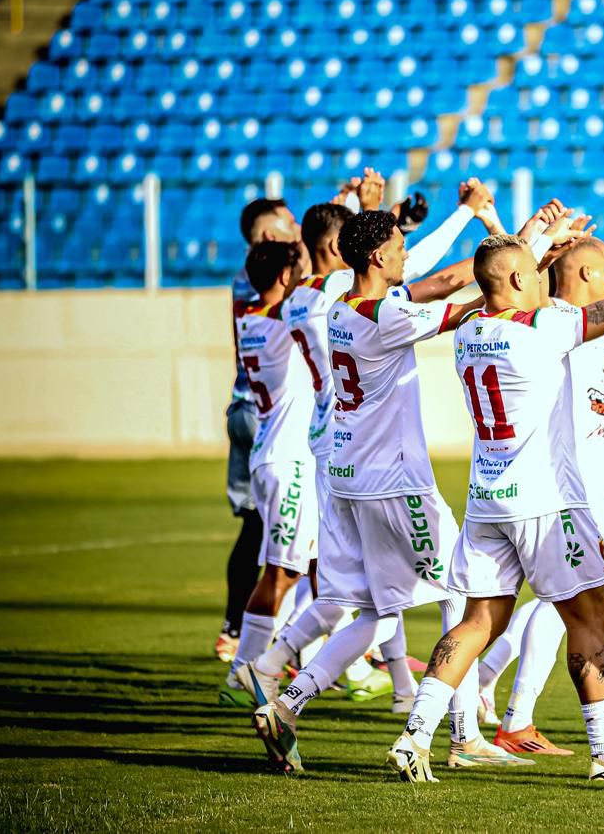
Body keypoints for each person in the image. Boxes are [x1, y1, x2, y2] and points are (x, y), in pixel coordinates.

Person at [388, 202, 604, 785]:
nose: (545, 278)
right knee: (588, 622)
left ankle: (415, 735)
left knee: (476, 622)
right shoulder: (545, 327)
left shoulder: (467, 328)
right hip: (546, 502)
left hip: (487, 498)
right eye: (536, 271)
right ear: (521, 279)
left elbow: (503, 272)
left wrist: (536, 240)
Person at [248, 202, 533, 773]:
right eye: (402, 247)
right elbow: (485, 299)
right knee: (464, 590)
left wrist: (528, 241)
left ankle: (288, 701)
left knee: (376, 613)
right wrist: (531, 249)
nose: (407, 254)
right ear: (379, 256)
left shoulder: (342, 309)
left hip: (350, 478)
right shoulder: (390, 316)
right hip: (398, 483)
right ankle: (460, 735)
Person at [219, 240, 318, 708]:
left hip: (271, 452)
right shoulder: (284, 320)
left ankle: (323, 664)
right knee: (280, 573)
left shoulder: (249, 315)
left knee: (318, 569)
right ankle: (244, 672)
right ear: (284, 277)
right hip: (288, 458)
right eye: (295, 270)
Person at [216, 198, 302, 662]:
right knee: (288, 541)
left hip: (246, 408)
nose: (296, 236)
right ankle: (276, 649)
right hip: (271, 419)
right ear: (269, 238)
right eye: (290, 227)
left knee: (257, 527)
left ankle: (235, 631)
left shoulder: (244, 282)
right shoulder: (266, 287)